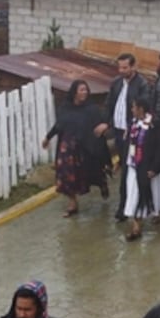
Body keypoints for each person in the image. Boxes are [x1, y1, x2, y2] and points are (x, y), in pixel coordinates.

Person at [44, 79, 110, 217]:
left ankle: (102, 184)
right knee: (66, 173)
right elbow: (59, 124)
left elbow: (101, 124)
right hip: (67, 146)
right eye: (81, 90)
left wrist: (105, 127)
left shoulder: (91, 109)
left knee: (91, 170)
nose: (84, 93)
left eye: (86, 90)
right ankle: (72, 203)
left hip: (86, 147)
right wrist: (48, 137)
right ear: (74, 92)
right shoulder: (65, 108)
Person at [105, 53, 150, 220]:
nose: (122, 70)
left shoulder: (142, 85)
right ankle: (127, 204)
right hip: (117, 131)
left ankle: (126, 206)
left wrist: (131, 127)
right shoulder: (116, 83)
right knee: (122, 167)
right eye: (120, 67)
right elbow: (109, 104)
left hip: (132, 133)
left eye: (125, 67)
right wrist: (106, 122)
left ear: (133, 67)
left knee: (128, 170)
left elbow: (143, 108)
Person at [124, 96, 160, 241]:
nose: (131, 110)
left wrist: (155, 168)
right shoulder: (133, 123)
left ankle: (154, 214)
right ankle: (137, 225)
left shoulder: (155, 124)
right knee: (135, 194)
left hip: (148, 166)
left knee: (153, 192)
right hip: (134, 165)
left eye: (133, 107)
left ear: (141, 109)